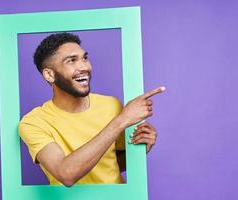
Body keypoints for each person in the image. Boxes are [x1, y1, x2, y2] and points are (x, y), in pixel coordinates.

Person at [19, 32, 165, 187]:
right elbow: (65, 174)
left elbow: (111, 165)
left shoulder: (111, 105)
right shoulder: (33, 122)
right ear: (49, 74)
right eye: (71, 61)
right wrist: (122, 120)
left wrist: (139, 150)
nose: (84, 67)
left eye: (85, 58)